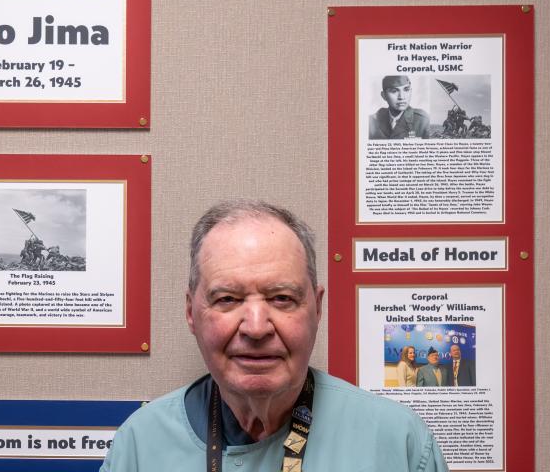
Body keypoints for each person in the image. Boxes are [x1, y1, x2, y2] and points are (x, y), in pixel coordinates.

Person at [100, 200, 446, 471]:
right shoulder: (140, 444)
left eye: (281, 298)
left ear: (317, 308)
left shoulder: (399, 443)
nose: (256, 328)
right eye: (228, 299)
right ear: (191, 312)